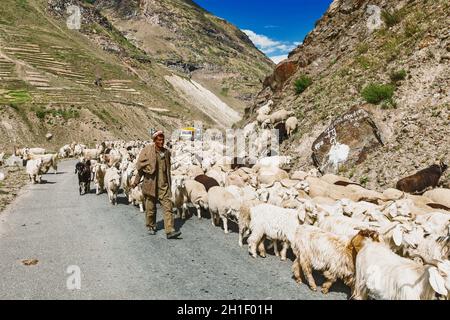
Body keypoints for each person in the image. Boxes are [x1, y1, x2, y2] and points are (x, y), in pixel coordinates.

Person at [132, 131, 181, 239]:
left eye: (163, 140)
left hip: (163, 185)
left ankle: (170, 230)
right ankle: (151, 225)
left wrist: (169, 183)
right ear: (154, 141)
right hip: (150, 184)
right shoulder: (147, 151)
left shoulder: (166, 153)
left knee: (168, 207)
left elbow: (168, 169)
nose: (161, 142)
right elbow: (141, 169)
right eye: (159, 140)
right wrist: (136, 181)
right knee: (150, 208)